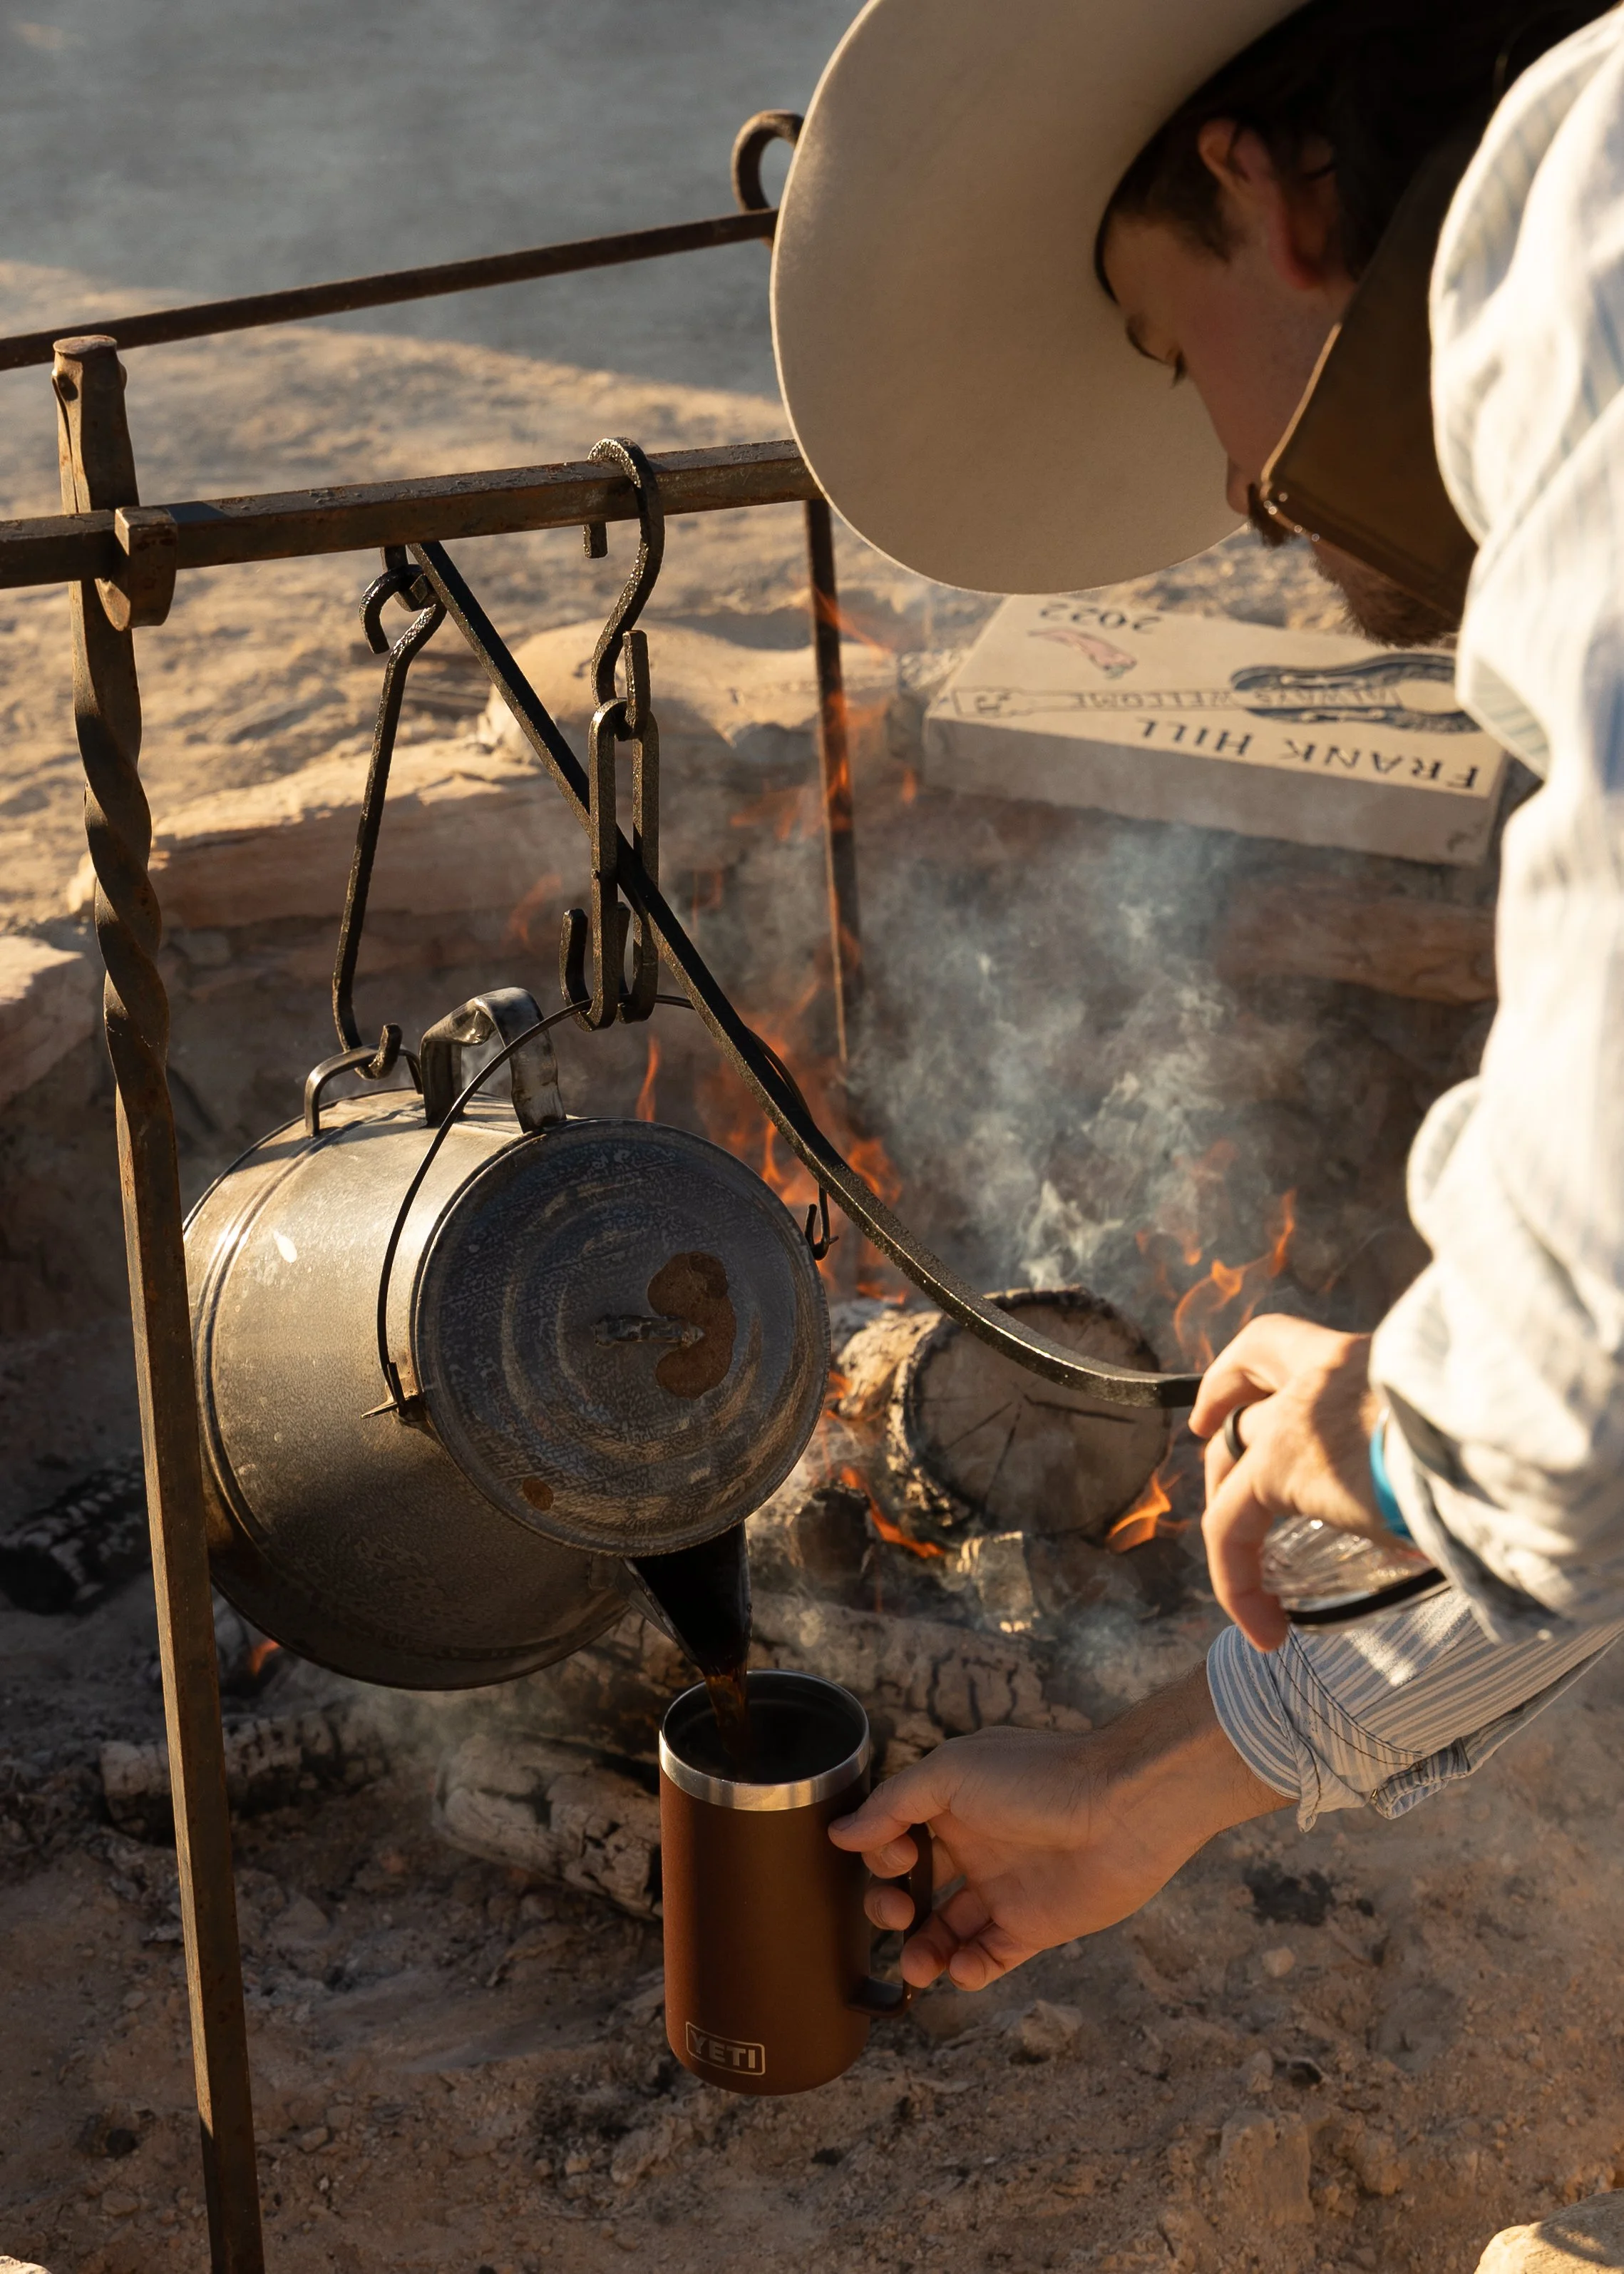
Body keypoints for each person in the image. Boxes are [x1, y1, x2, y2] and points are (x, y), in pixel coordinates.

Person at [764, 0, 1624, 1992]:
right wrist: (1136, 1781)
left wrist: (1404, 1431)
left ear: (1259, 178)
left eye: (1169, 345)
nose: (1240, 489)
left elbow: (1576, 1378)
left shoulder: (1585, 217)